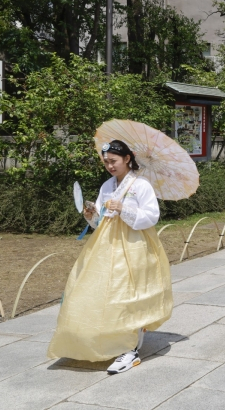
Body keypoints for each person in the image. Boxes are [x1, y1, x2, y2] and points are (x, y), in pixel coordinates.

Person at [47, 140, 173, 374]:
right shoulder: (107, 185)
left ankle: (130, 349)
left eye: (113, 161)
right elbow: (100, 221)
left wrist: (124, 208)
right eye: (106, 162)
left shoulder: (141, 185)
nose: (109, 166)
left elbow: (151, 217)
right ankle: (108, 338)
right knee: (103, 291)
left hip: (135, 245)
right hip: (106, 246)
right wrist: (91, 214)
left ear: (127, 158)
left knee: (129, 294)